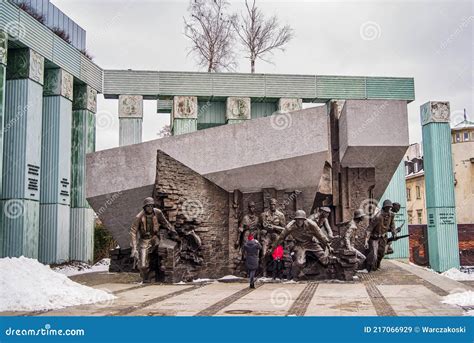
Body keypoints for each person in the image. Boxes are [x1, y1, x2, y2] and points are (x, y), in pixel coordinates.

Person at [273, 210, 334, 281]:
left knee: (324, 259)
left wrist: (328, 245)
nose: (299, 221)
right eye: (298, 219)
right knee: (300, 262)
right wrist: (273, 248)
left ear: (304, 219)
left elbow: (321, 235)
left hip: (311, 243)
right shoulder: (290, 226)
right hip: (299, 244)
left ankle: (327, 273)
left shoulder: (311, 224)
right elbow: (281, 238)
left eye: (301, 219)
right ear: (295, 219)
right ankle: (295, 276)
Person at [130, 197, 179, 283]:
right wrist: (134, 248)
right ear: (144, 207)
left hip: (155, 238)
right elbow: (133, 231)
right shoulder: (139, 216)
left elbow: (165, 223)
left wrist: (173, 231)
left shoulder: (157, 212)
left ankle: (161, 274)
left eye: (151, 206)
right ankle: (145, 279)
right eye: (148, 206)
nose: (150, 208)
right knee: (143, 266)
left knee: (163, 253)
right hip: (144, 241)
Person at [364, 199, 398, 271]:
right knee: (374, 255)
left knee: (382, 253)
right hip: (375, 237)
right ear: (384, 207)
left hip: (383, 237)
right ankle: (370, 267)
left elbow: (392, 225)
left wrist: (394, 233)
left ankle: (377, 265)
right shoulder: (377, 216)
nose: (389, 209)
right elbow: (369, 229)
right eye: (387, 207)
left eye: (390, 207)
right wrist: (366, 241)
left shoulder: (391, 215)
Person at [259, 198, 286, 276]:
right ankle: (264, 273)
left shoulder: (281, 215)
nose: (272, 206)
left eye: (274, 204)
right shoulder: (263, 215)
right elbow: (259, 227)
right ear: (269, 205)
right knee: (264, 254)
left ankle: (278, 273)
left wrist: (274, 227)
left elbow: (284, 229)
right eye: (271, 204)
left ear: (276, 205)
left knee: (277, 256)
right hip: (267, 236)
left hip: (276, 236)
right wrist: (262, 231)